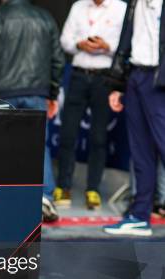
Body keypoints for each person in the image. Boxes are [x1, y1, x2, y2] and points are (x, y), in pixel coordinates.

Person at [0, 0, 65, 222]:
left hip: (3, 92)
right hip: (37, 92)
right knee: (38, 145)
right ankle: (45, 197)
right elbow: (58, 60)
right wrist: (52, 94)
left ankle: (5, 199)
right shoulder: (45, 17)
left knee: (2, 146)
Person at [56, 0, 127, 210]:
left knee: (98, 137)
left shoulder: (120, 8)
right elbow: (65, 40)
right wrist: (80, 44)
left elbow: (126, 46)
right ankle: (63, 186)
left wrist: (107, 47)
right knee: (68, 133)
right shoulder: (78, 6)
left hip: (104, 78)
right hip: (78, 75)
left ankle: (93, 189)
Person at [104, 0, 164, 236]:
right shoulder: (134, 3)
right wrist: (118, 84)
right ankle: (140, 216)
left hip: (159, 80)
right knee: (141, 151)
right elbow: (125, 40)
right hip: (136, 75)